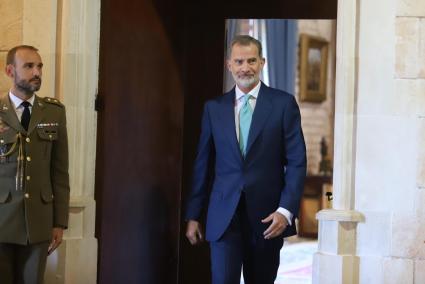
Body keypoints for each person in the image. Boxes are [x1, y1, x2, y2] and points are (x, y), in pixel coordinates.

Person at [185, 35, 306, 284]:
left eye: (251, 60)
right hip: (223, 217)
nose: (245, 67)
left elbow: (296, 161)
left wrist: (285, 210)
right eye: (239, 61)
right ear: (229, 65)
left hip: (268, 219)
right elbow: (203, 164)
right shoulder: (214, 108)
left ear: (262, 62)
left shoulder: (284, 104)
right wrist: (194, 215)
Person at [0, 45, 70, 283]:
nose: (37, 71)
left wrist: (59, 221)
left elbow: (59, 172)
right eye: (29, 66)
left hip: (39, 222)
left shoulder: (54, 112)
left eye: (39, 66)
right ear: (10, 71)